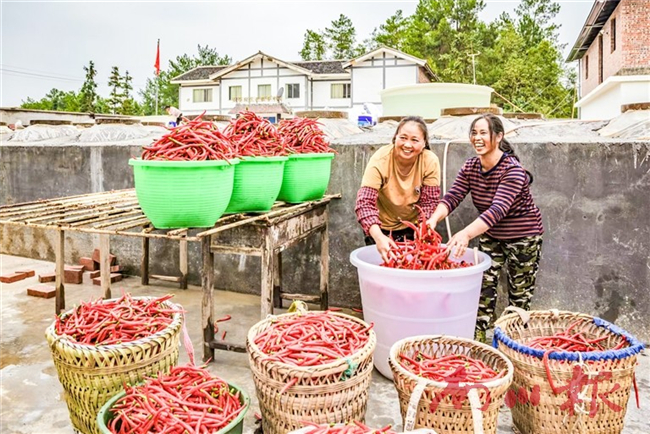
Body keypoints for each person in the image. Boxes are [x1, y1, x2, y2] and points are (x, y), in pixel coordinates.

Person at [426, 114, 543, 343]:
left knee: (519, 295)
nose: (477, 138)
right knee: (483, 288)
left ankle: (513, 344)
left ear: (498, 137)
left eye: (483, 133)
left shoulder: (512, 171)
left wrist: (465, 234)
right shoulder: (471, 166)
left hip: (523, 237)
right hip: (491, 234)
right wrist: (432, 220)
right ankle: (478, 340)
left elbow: (497, 210)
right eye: (474, 133)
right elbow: (452, 197)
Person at [355, 116, 441, 263]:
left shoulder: (429, 161)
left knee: (412, 270)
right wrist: (378, 237)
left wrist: (422, 231)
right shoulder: (381, 159)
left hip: (413, 228)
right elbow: (364, 203)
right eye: (403, 138)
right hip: (380, 226)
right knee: (382, 270)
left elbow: (429, 203)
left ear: (424, 143)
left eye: (415, 140)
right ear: (395, 138)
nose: (408, 144)